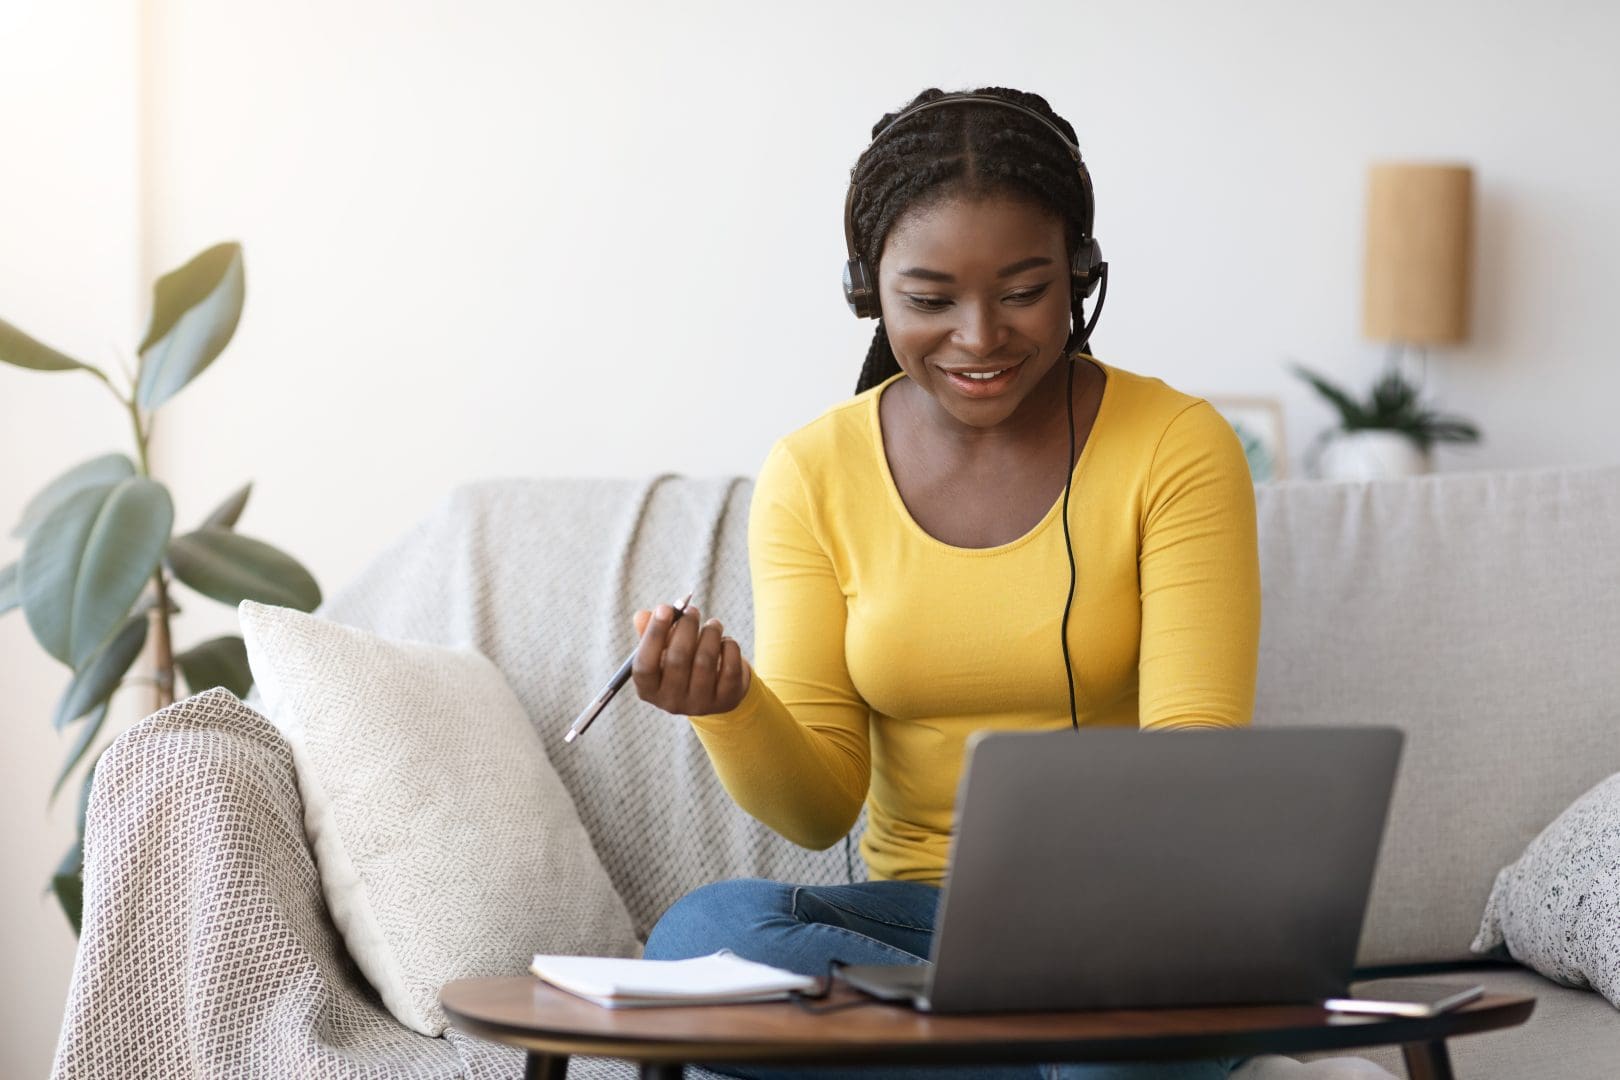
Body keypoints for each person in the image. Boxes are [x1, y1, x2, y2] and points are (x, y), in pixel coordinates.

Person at [628, 86, 1261, 1080]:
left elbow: (1196, 769)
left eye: (1022, 291)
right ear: (867, 292)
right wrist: (733, 706)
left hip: (1133, 926)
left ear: (1081, 276)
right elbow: (817, 813)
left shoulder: (1176, 446)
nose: (979, 336)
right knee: (702, 939)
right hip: (918, 926)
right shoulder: (813, 471)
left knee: (1124, 1039)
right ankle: (1032, 1060)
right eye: (930, 300)